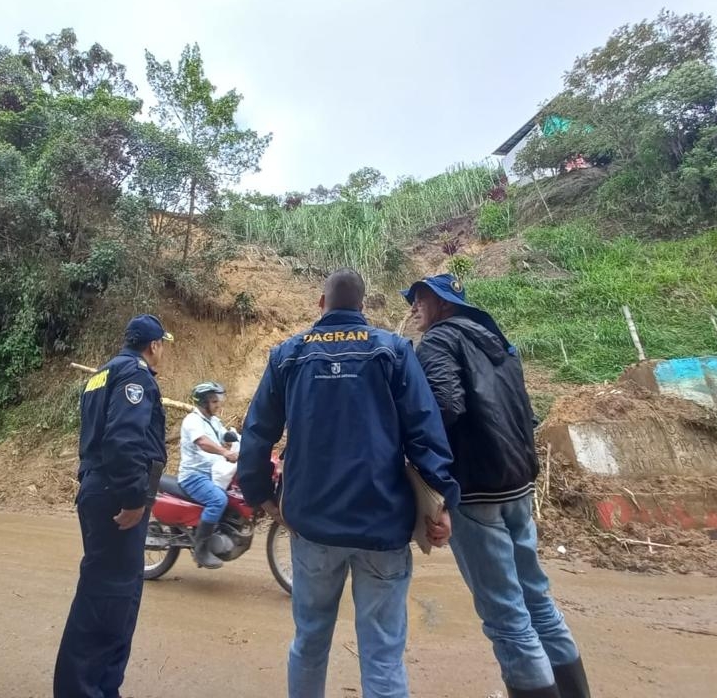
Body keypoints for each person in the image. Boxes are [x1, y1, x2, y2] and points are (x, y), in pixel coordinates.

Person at [238, 268, 459, 698]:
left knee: (309, 642)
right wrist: (442, 501)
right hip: (383, 528)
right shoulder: (393, 351)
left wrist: (262, 496)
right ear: (362, 307)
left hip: (313, 527)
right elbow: (425, 431)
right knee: (382, 656)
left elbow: (257, 432)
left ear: (321, 305)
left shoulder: (288, 355)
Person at [402, 274, 591, 698]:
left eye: (421, 299)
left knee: (505, 616)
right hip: (517, 484)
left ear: (444, 304)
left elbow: (445, 406)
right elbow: (526, 412)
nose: (414, 308)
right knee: (537, 600)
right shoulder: (499, 343)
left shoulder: (437, 342)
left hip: (476, 491)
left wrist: (430, 475)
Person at [54, 314, 172, 698]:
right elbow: (123, 441)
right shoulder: (134, 376)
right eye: (163, 346)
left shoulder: (102, 374)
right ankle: (82, 689)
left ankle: (104, 686)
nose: (164, 352)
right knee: (107, 597)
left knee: (116, 595)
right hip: (115, 494)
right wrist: (134, 497)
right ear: (153, 345)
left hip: (100, 487)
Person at [178, 381, 238, 569]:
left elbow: (226, 436)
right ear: (203, 402)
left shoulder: (213, 421)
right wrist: (225, 452)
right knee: (218, 500)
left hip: (212, 472)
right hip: (194, 476)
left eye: (218, 400)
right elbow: (203, 442)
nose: (218, 404)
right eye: (213, 401)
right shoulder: (192, 421)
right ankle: (201, 550)